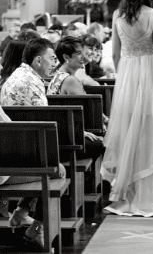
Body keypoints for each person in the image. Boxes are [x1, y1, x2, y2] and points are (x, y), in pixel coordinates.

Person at [100, 0, 153, 217]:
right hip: (150, 75)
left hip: (127, 77)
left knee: (128, 131)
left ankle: (129, 193)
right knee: (149, 131)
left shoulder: (117, 15)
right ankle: (148, 195)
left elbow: (114, 54)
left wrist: (123, 77)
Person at [0, 38, 63, 249]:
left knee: (43, 161)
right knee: (55, 170)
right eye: (51, 58)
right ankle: (37, 228)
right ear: (37, 60)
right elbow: (44, 124)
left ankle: (21, 212)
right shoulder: (32, 81)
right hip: (7, 159)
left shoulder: (16, 76)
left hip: (12, 148)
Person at [47, 36, 105, 155]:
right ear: (66, 57)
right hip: (68, 139)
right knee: (107, 141)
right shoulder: (70, 80)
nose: (83, 57)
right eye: (79, 53)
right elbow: (89, 113)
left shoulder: (60, 74)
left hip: (64, 133)